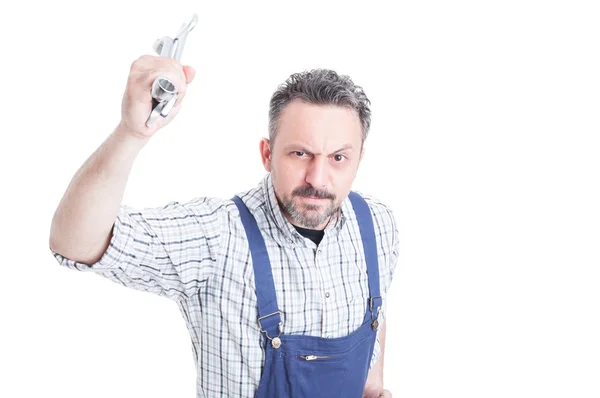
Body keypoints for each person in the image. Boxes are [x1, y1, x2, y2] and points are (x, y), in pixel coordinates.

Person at [49, 54, 399, 398]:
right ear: (267, 154)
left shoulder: (377, 225)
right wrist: (131, 133)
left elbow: (375, 316)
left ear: (358, 160)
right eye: (300, 154)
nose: (317, 178)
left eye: (338, 157)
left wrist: (372, 386)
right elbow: (74, 243)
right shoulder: (218, 238)